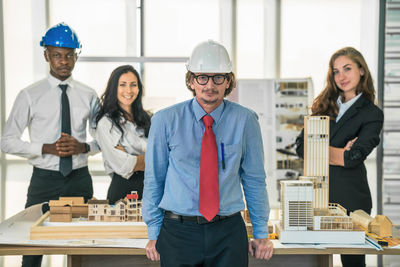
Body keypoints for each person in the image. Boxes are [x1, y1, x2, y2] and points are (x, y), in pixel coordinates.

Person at [142, 40, 274, 266]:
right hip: (178, 232)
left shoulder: (246, 120)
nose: (209, 85)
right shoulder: (165, 120)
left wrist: (261, 232)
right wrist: (153, 232)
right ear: (191, 80)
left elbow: (254, 179)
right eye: (202, 77)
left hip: (228, 232)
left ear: (228, 81)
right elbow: (155, 178)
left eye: (218, 77)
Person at [0, 22, 100, 267]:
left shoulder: (89, 95)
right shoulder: (29, 95)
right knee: (32, 246)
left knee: (84, 244)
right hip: (44, 179)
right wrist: (44, 148)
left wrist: (83, 147)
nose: (63, 61)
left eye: (69, 55)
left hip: (79, 177)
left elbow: (104, 141)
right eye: (57, 55)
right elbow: (6, 141)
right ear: (46, 55)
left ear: (76, 56)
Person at [295, 47, 384, 267]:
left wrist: (322, 150)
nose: (341, 77)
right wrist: (339, 152)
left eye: (347, 69)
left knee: (353, 264)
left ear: (361, 70)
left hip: (351, 200)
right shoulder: (324, 106)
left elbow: (352, 158)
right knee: (315, 260)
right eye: (336, 71)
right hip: (317, 198)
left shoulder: (371, 114)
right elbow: (299, 147)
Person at [95, 65, 150, 204]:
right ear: (114, 88)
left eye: (133, 85)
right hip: (123, 190)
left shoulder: (148, 119)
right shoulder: (106, 124)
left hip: (150, 188)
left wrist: (134, 157)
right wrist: (152, 157)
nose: (128, 90)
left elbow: (166, 156)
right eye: (122, 85)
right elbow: (124, 165)